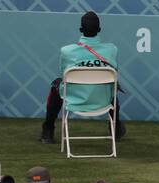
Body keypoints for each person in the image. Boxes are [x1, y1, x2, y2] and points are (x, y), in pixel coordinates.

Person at [39, 11, 124, 145]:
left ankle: (48, 130)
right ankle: (116, 127)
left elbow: (62, 75)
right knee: (111, 86)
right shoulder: (112, 50)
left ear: (80, 30)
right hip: (102, 102)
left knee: (57, 84)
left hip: (74, 101)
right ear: (99, 30)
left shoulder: (67, 51)